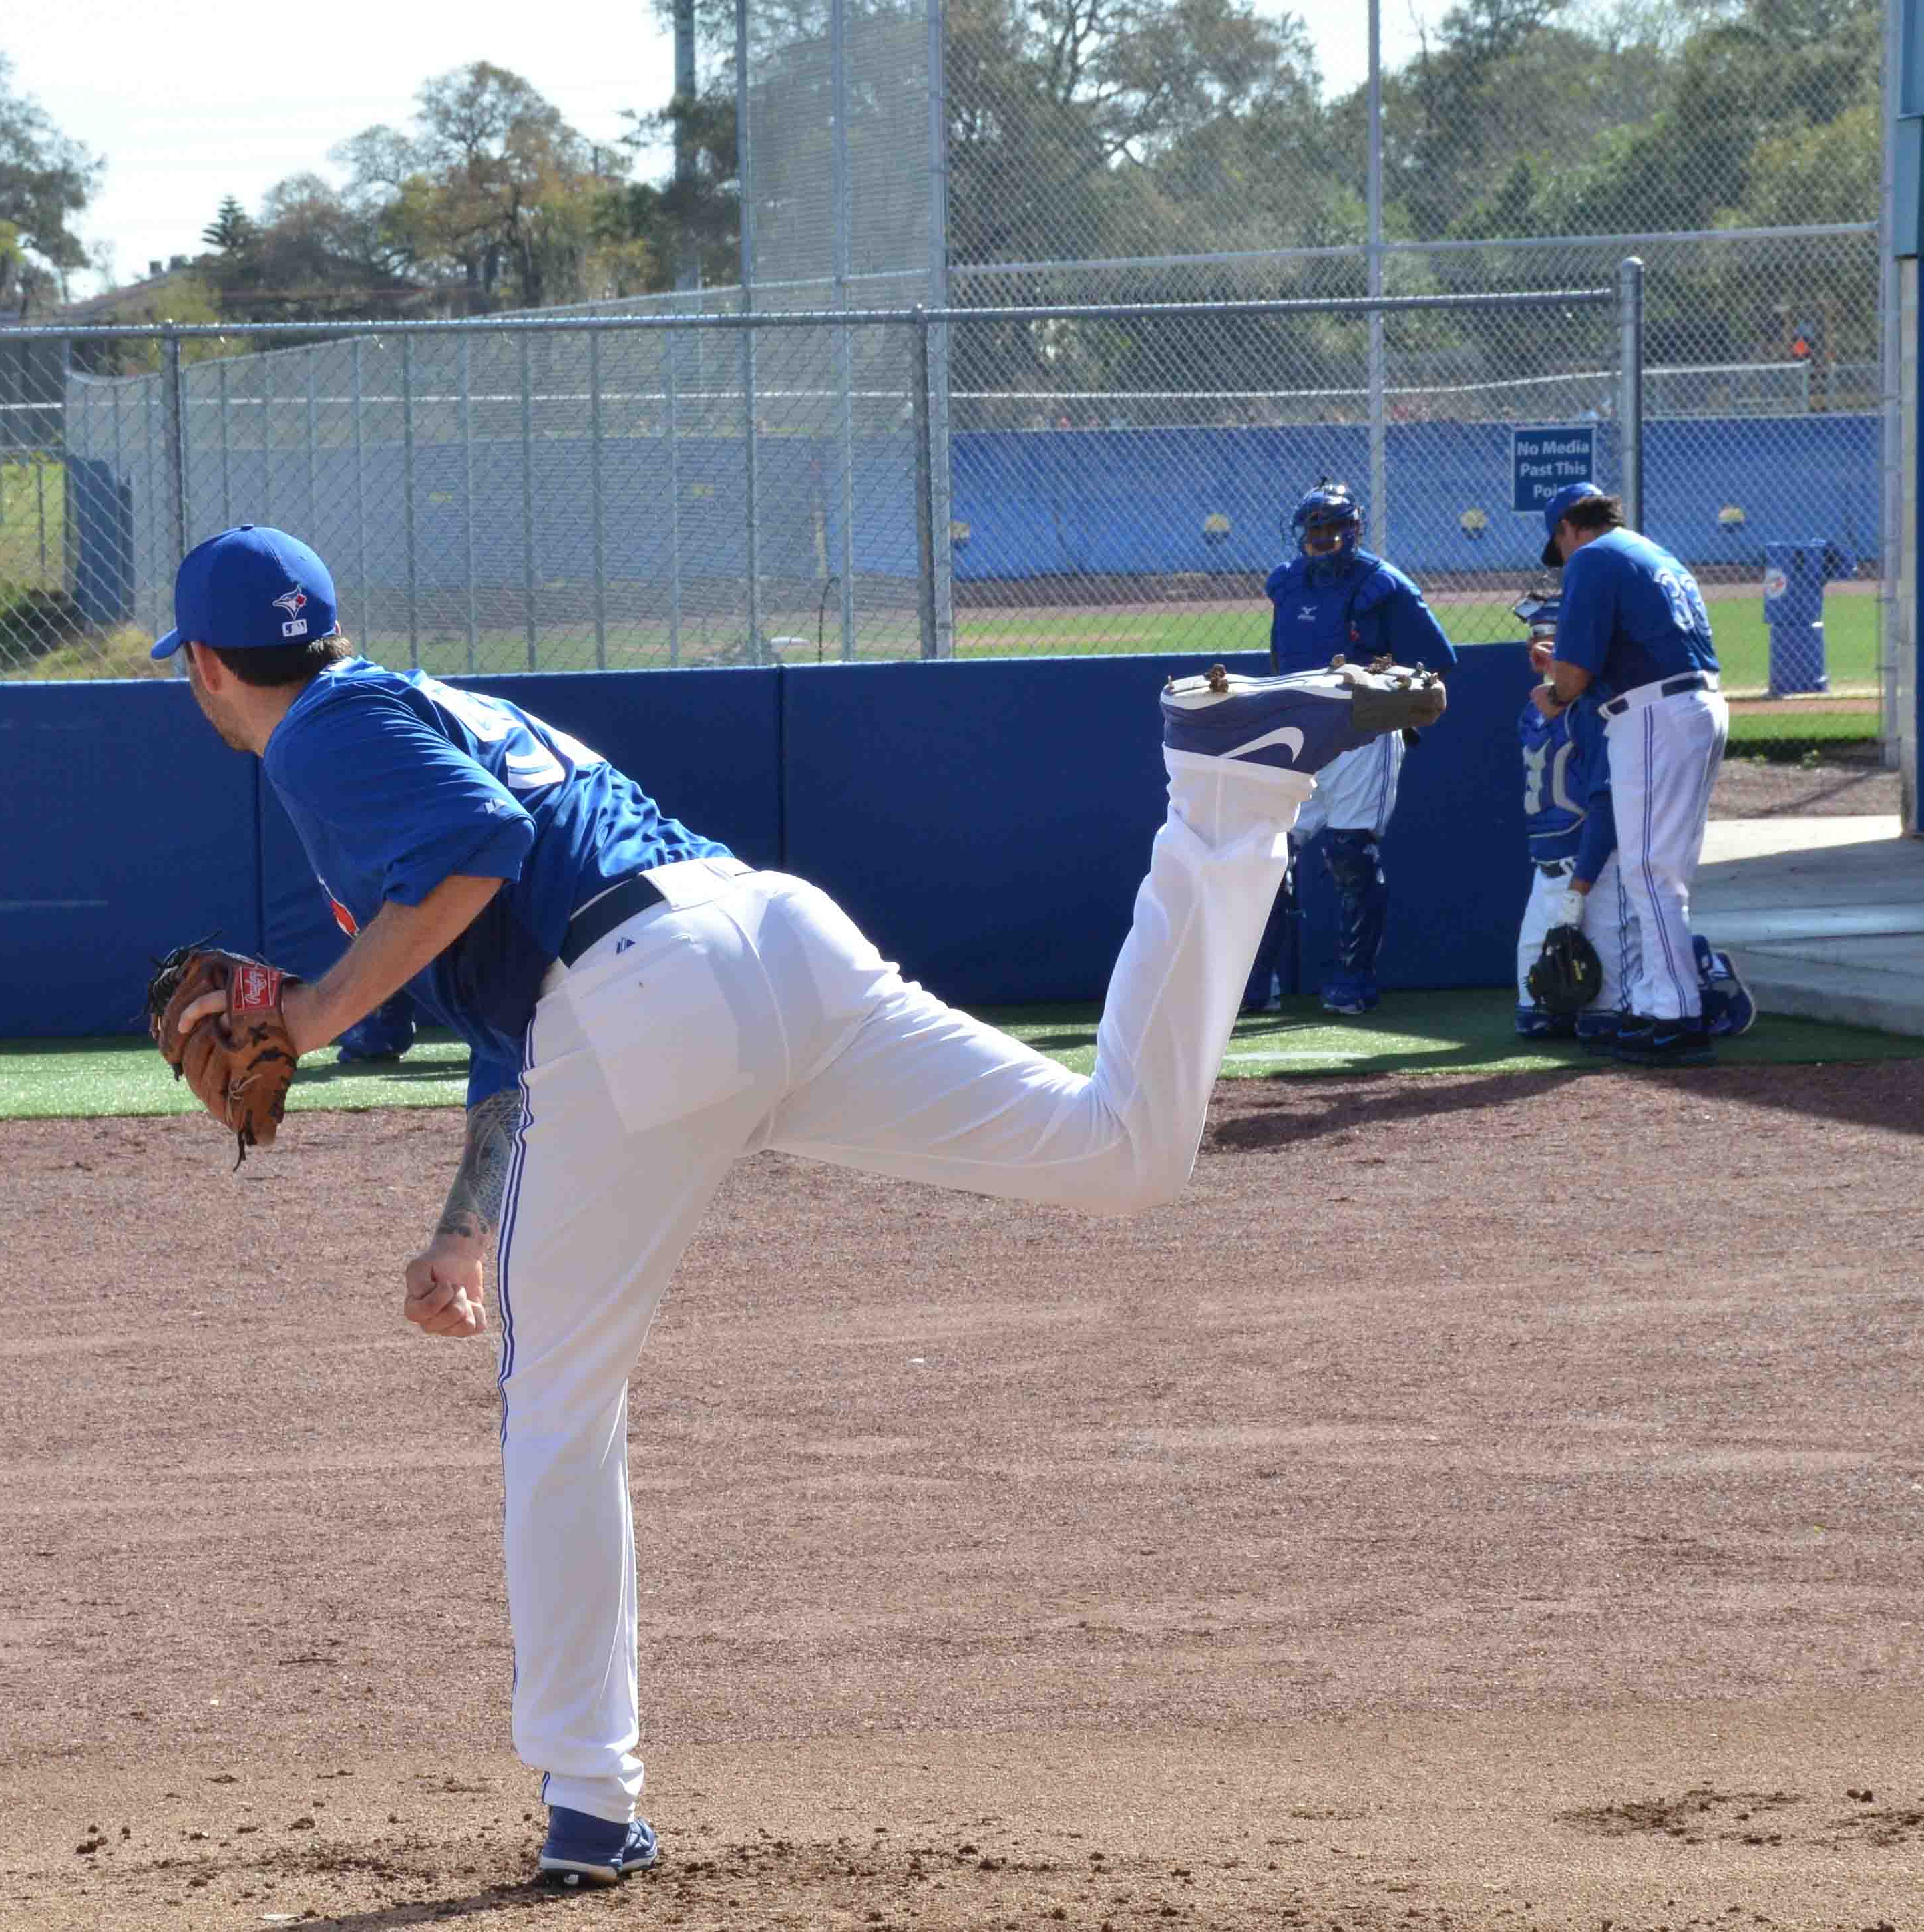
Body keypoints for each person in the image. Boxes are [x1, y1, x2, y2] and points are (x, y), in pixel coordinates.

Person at [151, 524, 1448, 1889]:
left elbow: (478, 849)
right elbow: (502, 1000)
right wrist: (467, 1226)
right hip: (765, 937)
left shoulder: (319, 731)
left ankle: (588, 1800)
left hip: (639, 991)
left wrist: (307, 1012)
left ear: (207, 669)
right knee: (1118, 1147)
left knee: (558, 1406)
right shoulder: (425, 705)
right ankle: (1228, 798)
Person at [1243, 483, 1460, 1016]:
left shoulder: (1383, 585)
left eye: (1332, 529)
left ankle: (1353, 980)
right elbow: (1281, 658)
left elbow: (1436, 660)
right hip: (1299, 730)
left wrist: (1401, 705)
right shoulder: (1286, 584)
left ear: (1354, 529)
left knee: (1349, 854)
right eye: (1313, 530)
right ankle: (1257, 982)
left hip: (1363, 730)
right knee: (1266, 851)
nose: (1322, 539)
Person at [1533, 481, 1729, 1067]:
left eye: (1559, 544)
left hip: (1653, 714)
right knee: (1663, 868)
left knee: (1649, 869)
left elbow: (1573, 679)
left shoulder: (1592, 558)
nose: (1562, 557)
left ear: (1570, 527)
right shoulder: (1651, 553)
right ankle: (1654, 1002)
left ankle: (1678, 1014)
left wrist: (1553, 692)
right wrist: (1565, 670)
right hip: (1693, 705)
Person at [1511, 592, 1627, 1046]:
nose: (1537, 646)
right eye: (1533, 636)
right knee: (1536, 1019)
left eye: (1548, 635)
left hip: (1593, 870)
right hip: (1544, 869)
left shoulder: (1598, 711)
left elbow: (1604, 805)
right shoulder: (1533, 710)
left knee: (1603, 1023)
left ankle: (1701, 970)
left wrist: (1581, 886)